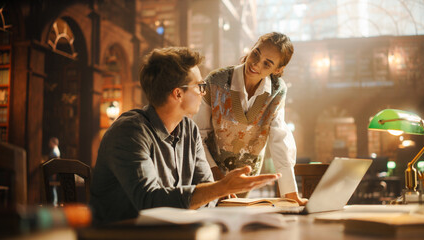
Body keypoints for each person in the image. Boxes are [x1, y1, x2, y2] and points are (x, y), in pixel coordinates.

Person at [90, 47, 281, 224]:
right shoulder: (129, 133)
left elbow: (206, 192)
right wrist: (220, 188)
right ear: (178, 94)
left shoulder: (190, 130)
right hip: (121, 234)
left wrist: (215, 190)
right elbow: (149, 203)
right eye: (198, 85)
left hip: (169, 232)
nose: (202, 92)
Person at [193, 32, 307, 205]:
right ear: (252, 48)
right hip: (207, 177)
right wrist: (218, 182)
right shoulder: (216, 81)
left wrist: (290, 192)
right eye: (256, 53)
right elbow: (197, 136)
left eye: (267, 63)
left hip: (244, 184)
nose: (255, 64)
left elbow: (280, 140)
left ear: (278, 70)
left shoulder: (277, 91)